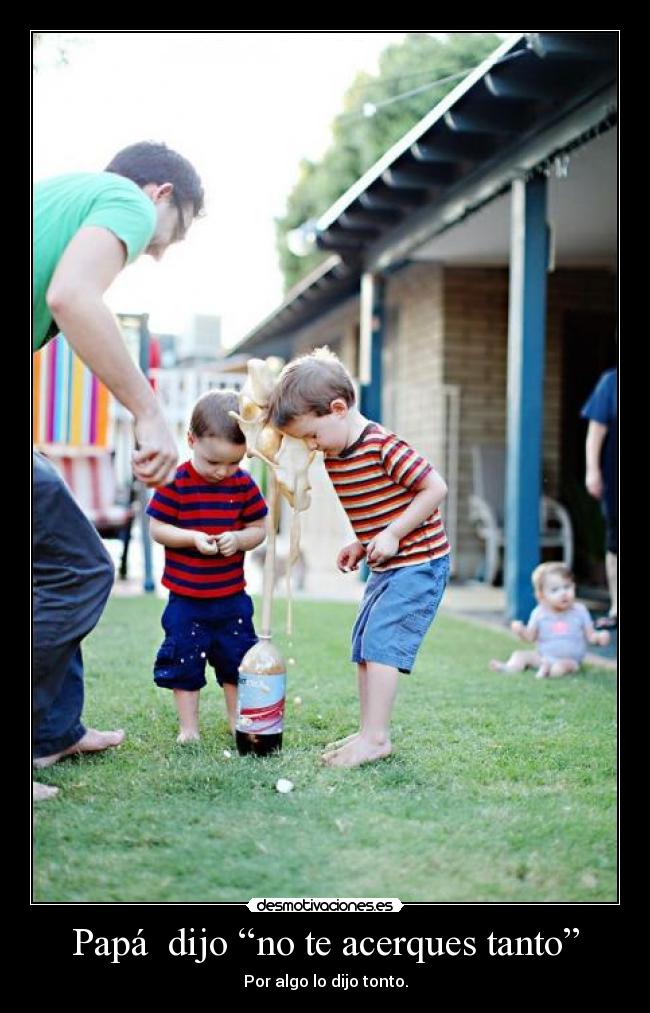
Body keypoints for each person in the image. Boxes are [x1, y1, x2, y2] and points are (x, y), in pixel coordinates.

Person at [33, 142, 204, 801]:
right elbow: (73, 296)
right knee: (78, 566)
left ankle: (51, 730)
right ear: (160, 193)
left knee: (63, 560)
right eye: (175, 232)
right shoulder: (126, 199)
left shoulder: (63, 200)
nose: (158, 252)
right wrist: (149, 412)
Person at [265, 346, 450, 768]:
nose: (311, 446)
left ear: (338, 408)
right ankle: (368, 731)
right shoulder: (335, 453)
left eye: (312, 434)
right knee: (366, 643)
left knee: (383, 642)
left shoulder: (382, 444)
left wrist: (392, 533)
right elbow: (379, 503)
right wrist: (363, 542)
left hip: (419, 561)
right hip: (388, 562)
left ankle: (377, 739)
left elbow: (434, 488)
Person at [147, 390, 267, 742]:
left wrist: (239, 539)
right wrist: (192, 538)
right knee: (184, 661)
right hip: (186, 599)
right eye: (213, 462)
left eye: (234, 462)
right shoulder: (175, 481)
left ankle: (237, 720)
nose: (223, 472)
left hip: (231, 598)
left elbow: (259, 528)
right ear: (191, 441)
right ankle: (189, 728)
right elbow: (157, 528)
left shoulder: (243, 484)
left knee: (236, 661)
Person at [489, 561, 610, 679]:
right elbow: (530, 637)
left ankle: (547, 671)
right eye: (555, 590)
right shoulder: (539, 613)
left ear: (574, 586)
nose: (563, 593)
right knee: (519, 655)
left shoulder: (579, 611)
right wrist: (521, 631)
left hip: (570, 659)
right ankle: (510, 668)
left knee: (561, 668)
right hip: (544, 656)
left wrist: (599, 638)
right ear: (541, 596)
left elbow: (590, 635)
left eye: (567, 587)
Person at [582, 367, 617, 629]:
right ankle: (617, 607)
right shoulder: (611, 381)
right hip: (614, 473)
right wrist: (593, 471)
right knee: (614, 542)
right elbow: (596, 430)